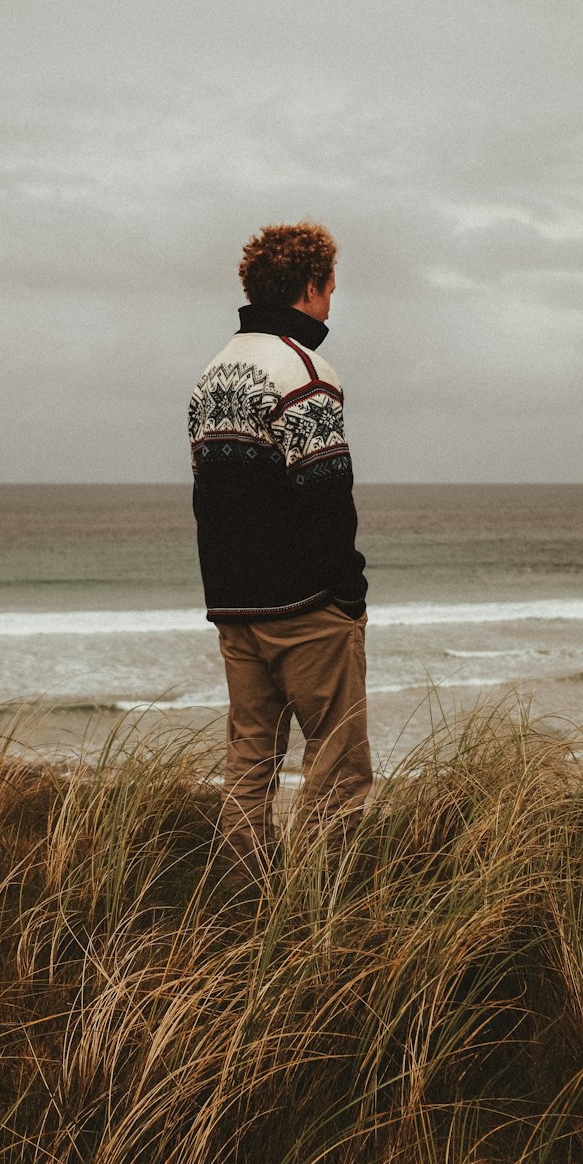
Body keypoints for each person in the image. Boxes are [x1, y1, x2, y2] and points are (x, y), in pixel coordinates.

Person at [188, 221, 372, 882]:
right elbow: (327, 496)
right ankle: (323, 919)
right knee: (337, 768)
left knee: (248, 766)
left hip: (235, 606)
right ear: (309, 288)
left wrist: (226, 597)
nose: (330, 304)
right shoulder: (304, 372)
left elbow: (209, 494)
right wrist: (349, 597)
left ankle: (245, 909)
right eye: (328, 290)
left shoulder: (212, 374)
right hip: (305, 608)